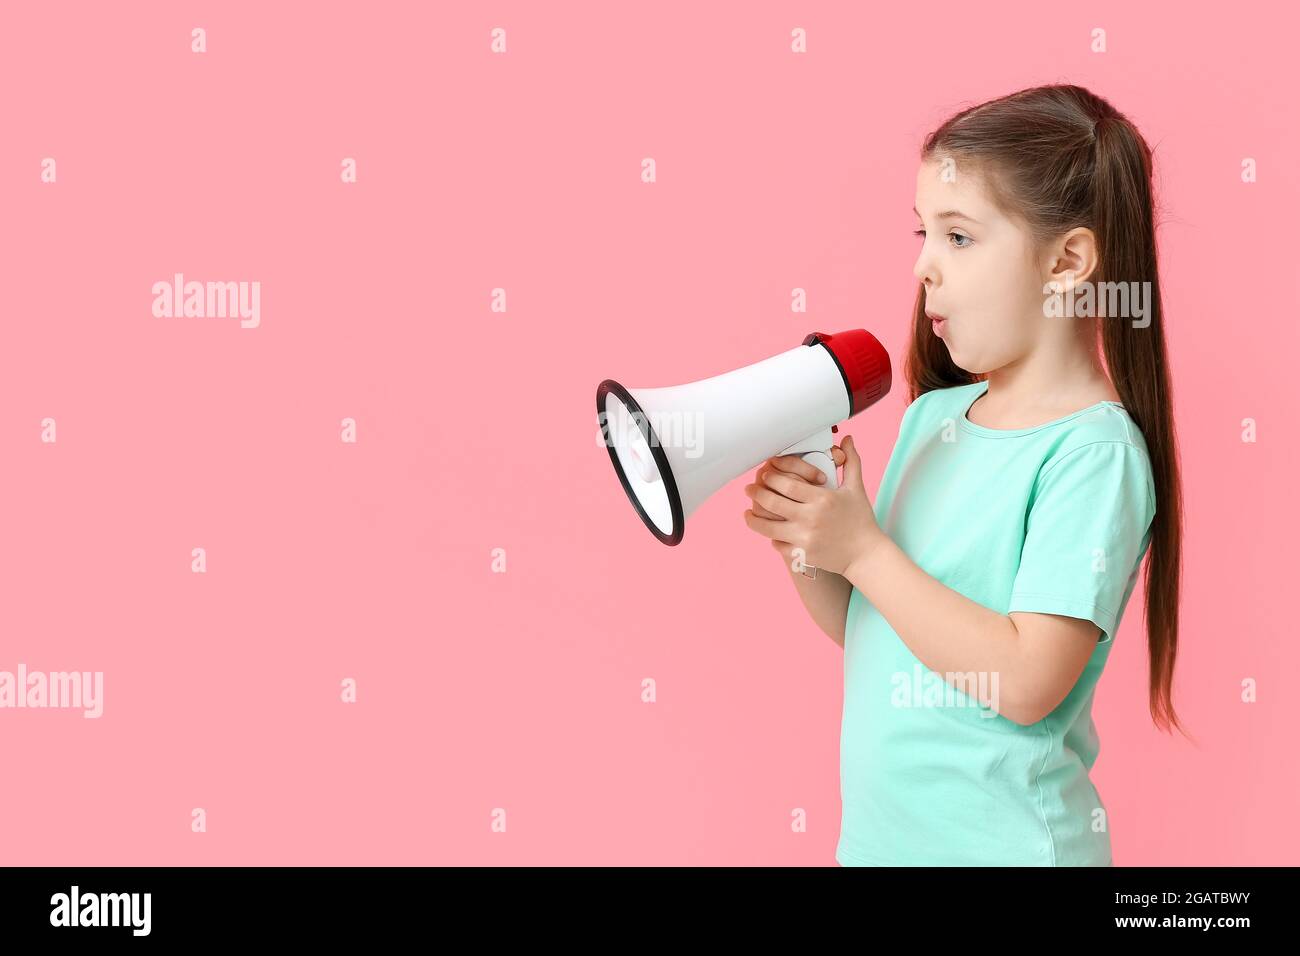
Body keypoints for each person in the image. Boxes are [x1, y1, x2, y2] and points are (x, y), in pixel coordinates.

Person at [742, 84, 1187, 866]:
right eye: (922, 233)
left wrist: (867, 551)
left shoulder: (1092, 456)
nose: (923, 268)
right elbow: (873, 629)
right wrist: (814, 543)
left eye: (958, 237)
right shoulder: (931, 422)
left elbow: (1023, 678)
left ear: (1067, 260)